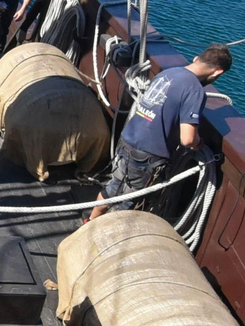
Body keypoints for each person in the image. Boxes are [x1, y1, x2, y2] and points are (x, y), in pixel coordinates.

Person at [89, 44, 232, 222]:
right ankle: (104, 236)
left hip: (127, 140)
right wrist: (199, 143)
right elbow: (187, 139)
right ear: (217, 72)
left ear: (196, 58)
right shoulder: (195, 90)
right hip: (147, 156)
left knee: (111, 189)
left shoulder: (167, 73)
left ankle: (90, 221)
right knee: (127, 203)